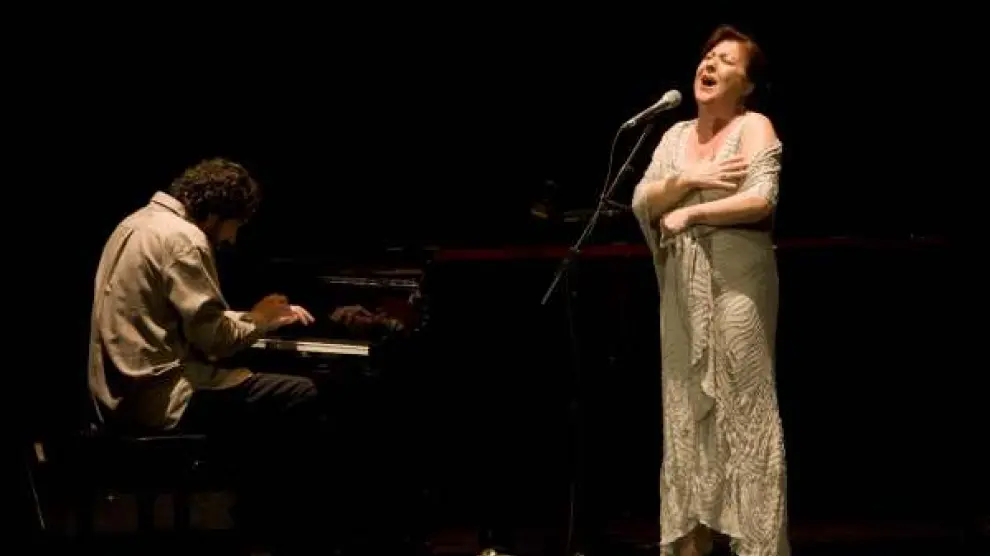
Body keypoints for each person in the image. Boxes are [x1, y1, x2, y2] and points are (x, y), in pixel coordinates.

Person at [87, 157, 325, 552]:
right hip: (161, 401)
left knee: (253, 394)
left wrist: (252, 317)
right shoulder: (185, 238)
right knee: (300, 394)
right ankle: (275, 532)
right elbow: (216, 341)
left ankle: (251, 518)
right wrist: (261, 320)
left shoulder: (134, 224)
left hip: (117, 395)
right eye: (236, 226)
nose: (232, 239)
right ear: (214, 215)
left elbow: (179, 316)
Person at [630, 25, 789, 556]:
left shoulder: (753, 126)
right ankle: (691, 541)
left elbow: (761, 198)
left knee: (744, 412)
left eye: (726, 60)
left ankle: (756, 544)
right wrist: (686, 184)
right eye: (708, 56)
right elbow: (643, 199)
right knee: (685, 413)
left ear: (747, 84)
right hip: (682, 298)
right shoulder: (674, 137)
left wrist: (693, 212)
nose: (711, 64)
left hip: (737, 288)